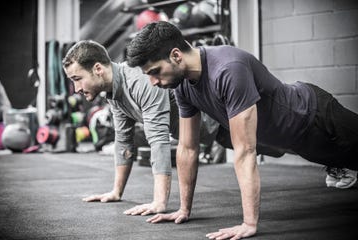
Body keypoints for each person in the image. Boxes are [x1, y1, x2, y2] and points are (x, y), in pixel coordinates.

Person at [126, 21, 358, 239]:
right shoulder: (183, 86)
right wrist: (183, 210)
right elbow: (187, 148)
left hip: (316, 115)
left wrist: (249, 223)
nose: (153, 82)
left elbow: (245, 151)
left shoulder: (228, 69)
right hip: (298, 141)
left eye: (155, 72)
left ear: (176, 56)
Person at [62, 40, 230, 216]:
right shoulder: (115, 94)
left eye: (77, 79)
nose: (76, 89)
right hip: (208, 134)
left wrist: (159, 202)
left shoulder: (140, 80)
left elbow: (158, 140)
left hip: (222, 123)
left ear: (98, 69)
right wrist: (116, 192)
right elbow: (123, 141)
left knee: (258, 146)